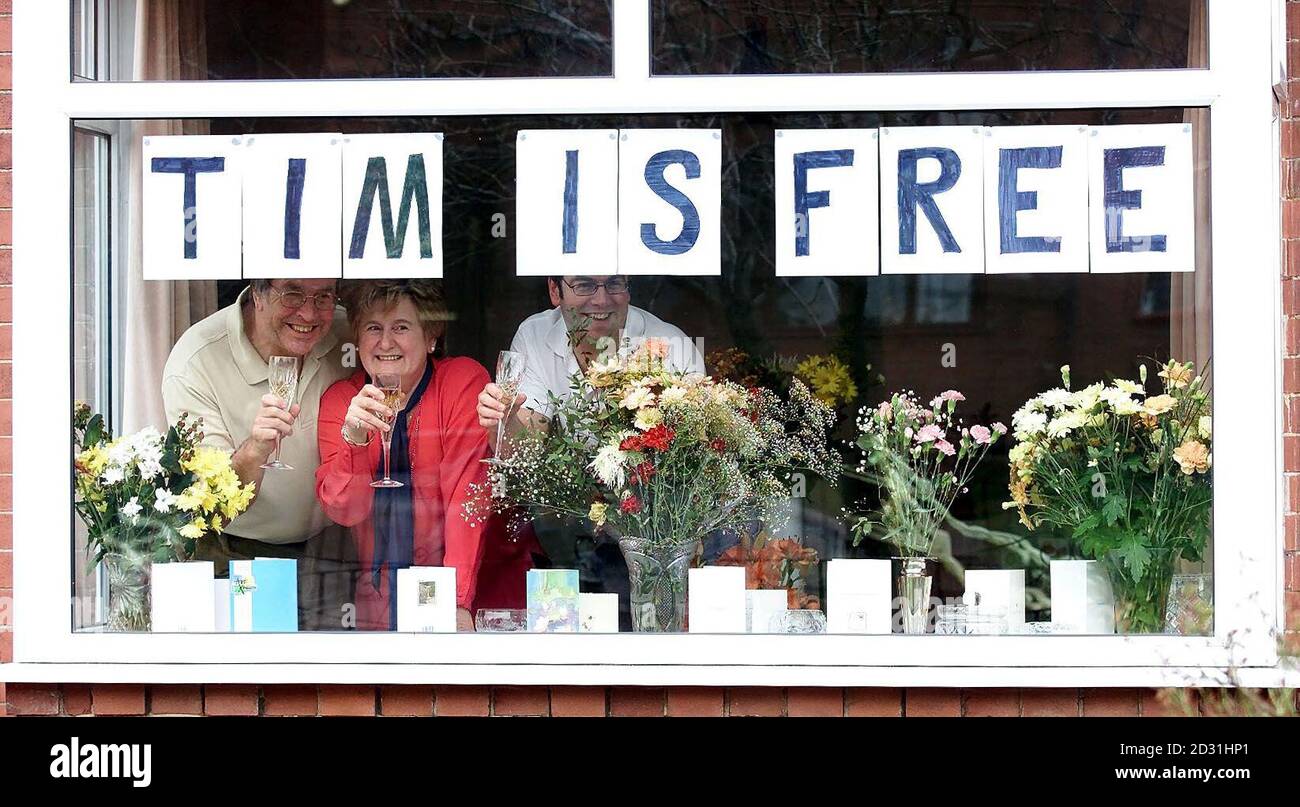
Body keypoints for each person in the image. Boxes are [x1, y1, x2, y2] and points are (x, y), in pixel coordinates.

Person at [316, 279, 527, 632]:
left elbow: (467, 495)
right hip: (378, 597)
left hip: (468, 589)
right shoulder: (342, 400)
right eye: (373, 328)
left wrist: (457, 602)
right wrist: (353, 439)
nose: (385, 342)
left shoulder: (460, 381)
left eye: (401, 327)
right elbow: (345, 510)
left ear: (431, 337)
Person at [162, 278, 355, 631]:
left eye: (323, 296)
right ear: (258, 292)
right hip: (240, 552)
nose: (309, 312)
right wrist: (256, 448)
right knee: (252, 679)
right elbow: (214, 503)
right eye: (293, 293)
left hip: (333, 550)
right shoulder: (197, 360)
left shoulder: (348, 332)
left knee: (337, 676)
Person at [475, 275, 705, 449]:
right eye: (584, 285)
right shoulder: (534, 336)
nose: (601, 301)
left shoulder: (672, 345)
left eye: (614, 283)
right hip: (567, 504)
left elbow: (693, 454)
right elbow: (525, 449)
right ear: (555, 291)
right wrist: (504, 420)